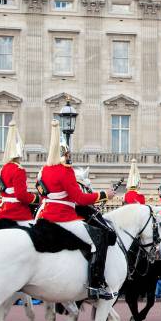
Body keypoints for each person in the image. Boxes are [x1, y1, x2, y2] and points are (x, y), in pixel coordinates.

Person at [35, 121, 117, 300]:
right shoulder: (66, 172)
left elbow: (42, 196)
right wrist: (104, 194)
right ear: (65, 154)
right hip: (64, 218)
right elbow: (79, 198)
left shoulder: (43, 171)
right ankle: (96, 285)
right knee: (100, 238)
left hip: (44, 216)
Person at [0, 122, 39, 225]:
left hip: (2, 209)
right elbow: (21, 195)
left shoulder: (3, 169)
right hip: (17, 211)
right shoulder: (19, 170)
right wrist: (36, 198)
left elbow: (0, 190)